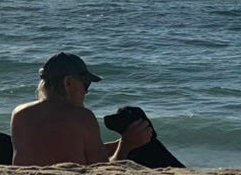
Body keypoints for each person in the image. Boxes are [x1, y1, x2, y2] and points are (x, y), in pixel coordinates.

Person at [11, 52, 152, 166]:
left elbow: (58, 147)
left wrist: (121, 142)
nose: (86, 92)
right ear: (68, 82)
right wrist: (125, 146)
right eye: (86, 84)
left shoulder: (20, 114)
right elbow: (101, 170)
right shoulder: (83, 118)